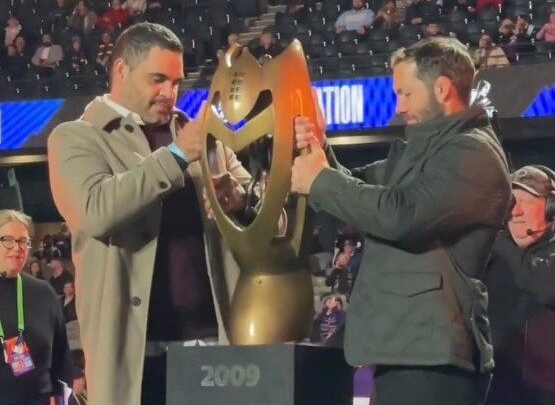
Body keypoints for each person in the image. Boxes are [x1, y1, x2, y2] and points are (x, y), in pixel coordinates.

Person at [291, 37, 511, 405]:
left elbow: (400, 214)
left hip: (434, 361)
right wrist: (319, 148)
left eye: (406, 94)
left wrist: (320, 179)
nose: (399, 106)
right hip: (408, 350)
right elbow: (360, 192)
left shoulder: (474, 153)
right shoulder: (419, 150)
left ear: (441, 88)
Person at [47, 22, 251, 405]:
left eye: (176, 82)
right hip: (134, 351)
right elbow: (95, 211)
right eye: (158, 79)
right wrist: (174, 157)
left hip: (211, 342)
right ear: (121, 70)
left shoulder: (199, 134)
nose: (169, 93)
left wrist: (237, 197)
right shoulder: (76, 137)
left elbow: (252, 200)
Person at [486, 165, 555, 405]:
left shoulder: (503, 248)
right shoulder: (491, 255)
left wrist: (504, 243)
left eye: (526, 200)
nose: (515, 212)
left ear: (550, 207)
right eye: (511, 202)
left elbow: (547, 286)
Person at [0, 210, 72, 405]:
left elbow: (61, 352)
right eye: (8, 240)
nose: (17, 248)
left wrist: (61, 395)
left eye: (24, 241)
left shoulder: (43, 292)